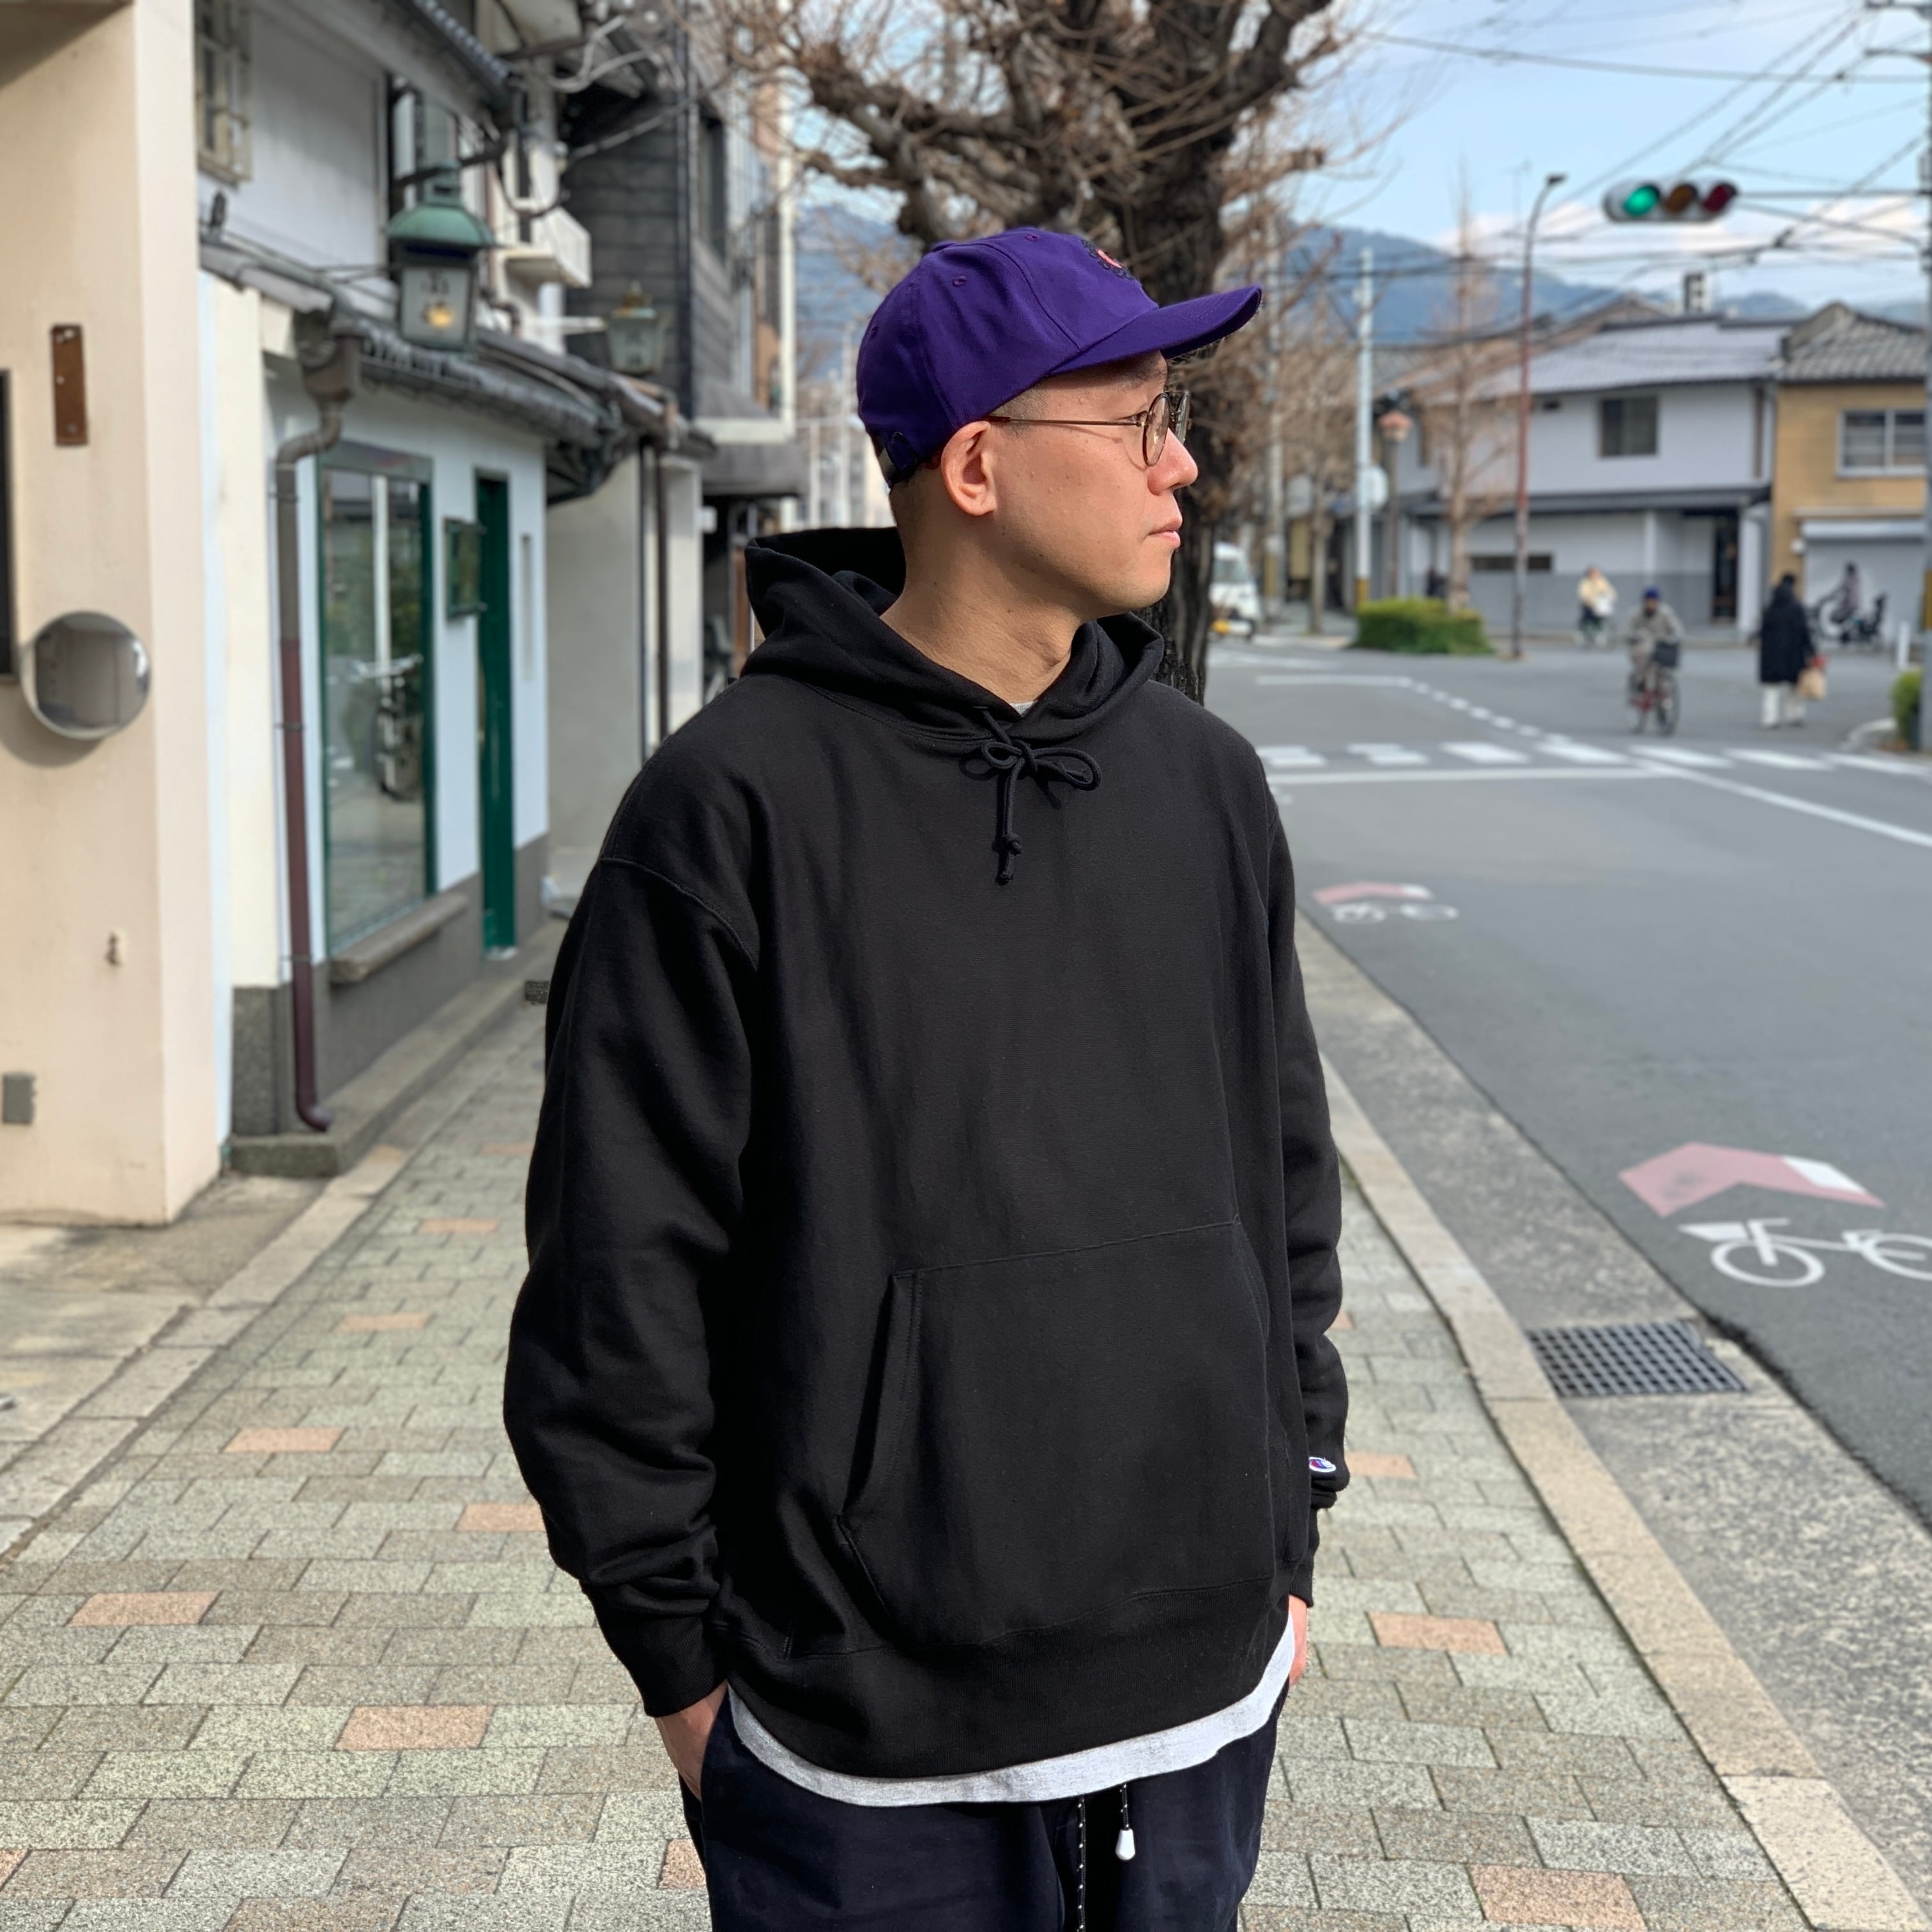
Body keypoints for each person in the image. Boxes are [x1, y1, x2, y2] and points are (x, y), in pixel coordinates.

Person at [505, 227, 1350, 1932]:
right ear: (977, 464)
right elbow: (620, 1274)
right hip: (858, 1740)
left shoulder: (1205, 787)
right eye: (1139, 420)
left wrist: (1291, 1525)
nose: (1181, 465)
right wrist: (682, 1668)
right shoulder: (731, 806)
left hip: (1201, 1689)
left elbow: (1284, 1186)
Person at [1758, 574, 1814, 728]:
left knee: (1771, 689)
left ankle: (1770, 718)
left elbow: (1762, 633)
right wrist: (1811, 650)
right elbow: (1804, 632)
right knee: (1795, 687)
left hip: (1771, 656)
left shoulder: (1770, 609)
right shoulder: (1796, 608)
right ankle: (1795, 715)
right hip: (1793, 655)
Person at [1625, 584, 1683, 691]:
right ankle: (1640, 681)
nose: (1651, 604)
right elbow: (1627, 632)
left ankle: (1661, 689)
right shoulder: (1637, 614)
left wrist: (1675, 637)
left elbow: (1677, 628)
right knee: (1643, 660)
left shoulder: (1666, 613)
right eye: (1649, 601)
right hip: (1642, 647)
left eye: (1654, 601)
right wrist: (1636, 635)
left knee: (1663, 668)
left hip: (1661, 645)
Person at [1577, 565, 1616, 647]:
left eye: (1596, 572)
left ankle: (1600, 634)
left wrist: (1610, 598)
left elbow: (1610, 591)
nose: (1595, 574)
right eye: (1593, 573)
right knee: (1587, 619)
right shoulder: (1586, 582)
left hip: (1601, 606)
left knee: (1602, 618)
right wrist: (1591, 600)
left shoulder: (1602, 581)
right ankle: (1585, 634)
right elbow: (1583, 594)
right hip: (1589, 606)